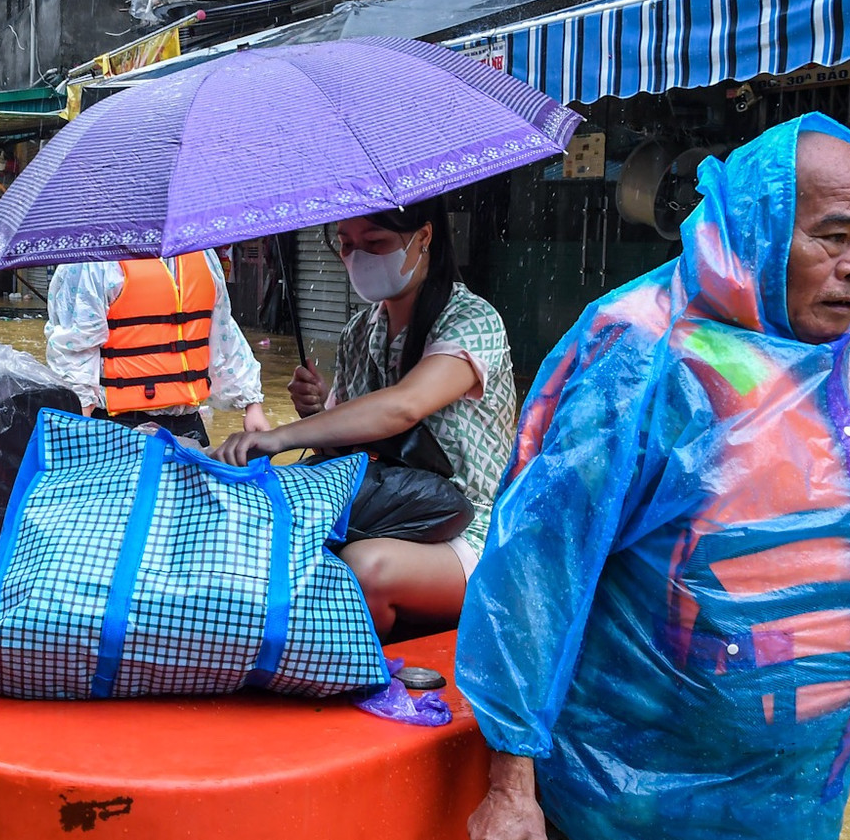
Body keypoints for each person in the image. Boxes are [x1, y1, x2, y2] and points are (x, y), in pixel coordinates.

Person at [457, 114, 850, 840]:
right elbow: (536, 566)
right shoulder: (643, 349)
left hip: (795, 806)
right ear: (764, 226)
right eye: (833, 237)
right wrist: (510, 777)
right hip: (640, 802)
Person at [210, 199, 517, 641]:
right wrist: (318, 415)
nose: (358, 257)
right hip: (387, 511)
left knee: (362, 568)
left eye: (376, 242)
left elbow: (403, 407)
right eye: (347, 244)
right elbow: (349, 458)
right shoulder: (358, 332)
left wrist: (281, 436)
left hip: (473, 527)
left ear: (424, 238)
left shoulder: (471, 320)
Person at [45, 251, 269, 445]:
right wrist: (78, 424)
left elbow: (222, 331)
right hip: (116, 426)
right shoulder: (94, 260)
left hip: (188, 425)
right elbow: (75, 345)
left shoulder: (201, 254)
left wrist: (252, 404)